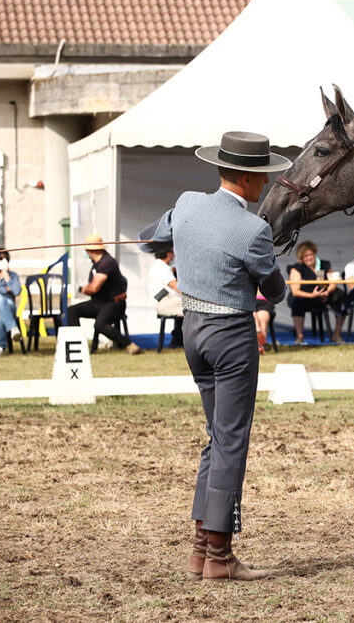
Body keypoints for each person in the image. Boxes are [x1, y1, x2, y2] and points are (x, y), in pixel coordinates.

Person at [138, 131, 288, 582]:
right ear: (245, 177)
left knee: (215, 437)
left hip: (193, 333)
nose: (265, 185)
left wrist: (180, 243)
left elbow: (150, 239)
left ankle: (202, 548)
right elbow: (274, 291)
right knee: (230, 439)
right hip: (230, 336)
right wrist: (270, 265)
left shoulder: (186, 203)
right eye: (261, 177)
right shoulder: (252, 229)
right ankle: (220, 556)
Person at [67, 235, 141, 354]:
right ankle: (78, 345)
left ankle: (128, 344)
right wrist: (88, 288)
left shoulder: (107, 262)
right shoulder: (96, 264)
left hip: (114, 303)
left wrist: (85, 289)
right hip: (98, 303)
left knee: (100, 325)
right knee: (71, 311)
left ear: (90, 250)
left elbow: (94, 288)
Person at [287, 240, 345, 344]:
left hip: (324, 295)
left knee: (341, 296)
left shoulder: (324, 265)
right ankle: (300, 337)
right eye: (306, 256)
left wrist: (327, 292)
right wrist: (312, 295)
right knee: (296, 301)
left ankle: (337, 335)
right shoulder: (297, 268)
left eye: (310, 254)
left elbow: (333, 282)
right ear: (301, 258)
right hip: (305, 297)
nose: (309, 258)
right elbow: (295, 291)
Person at [0, 247, 23, 357]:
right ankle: (12, 328)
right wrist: (5, 289)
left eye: (6, 258)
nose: (4, 260)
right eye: (0, 258)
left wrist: (6, 275)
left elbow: (16, 291)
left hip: (6, 307)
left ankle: (0, 348)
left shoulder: (13, 275)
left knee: (0, 309)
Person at [148, 247, 184, 349]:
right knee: (193, 307)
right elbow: (176, 286)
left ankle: (178, 340)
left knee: (183, 305)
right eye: (173, 252)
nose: (174, 256)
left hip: (164, 301)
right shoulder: (163, 268)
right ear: (168, 254)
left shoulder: (158, 265)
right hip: (165, 302)